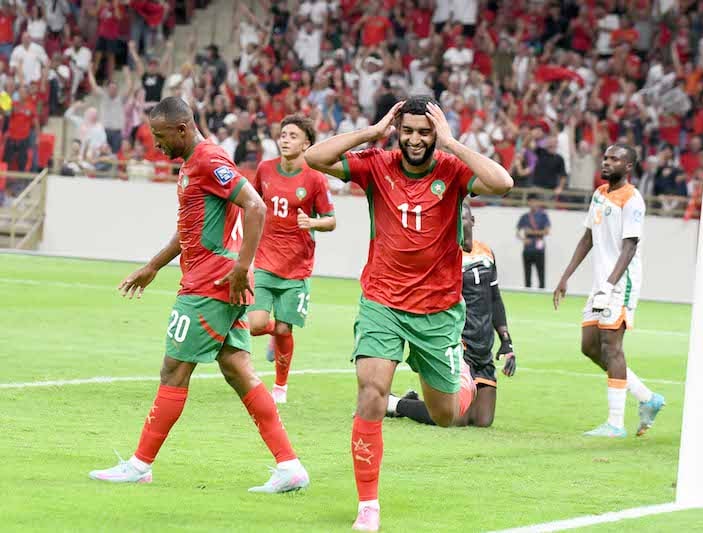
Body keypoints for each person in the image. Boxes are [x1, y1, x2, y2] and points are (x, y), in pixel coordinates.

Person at [304, 95, 513, 531]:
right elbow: (314, 157)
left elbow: (502, 182)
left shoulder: (453, 170)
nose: (415, 140)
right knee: (371, 391)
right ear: (397, 131)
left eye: (424, 132)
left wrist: (452, 142)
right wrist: (371, 132)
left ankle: (462, 378)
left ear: (436, 133)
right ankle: (368, 505)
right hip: (382, 301)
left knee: (445, 415)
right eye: (408, 131)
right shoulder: (376, 164)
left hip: (437, 311)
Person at [88, 97, 309, 493]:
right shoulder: (192, 164)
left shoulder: (208, 160)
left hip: (210, 285)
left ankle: (140, 465)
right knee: (238, 369)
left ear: (183, 129)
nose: (156, 144)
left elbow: (256, 206)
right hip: (218, 282)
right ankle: (289, 466)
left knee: (174, 369)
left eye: (160, 136)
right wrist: (154, 265)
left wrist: (242, 266)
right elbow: (190, 227)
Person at [553, 144, 665, 438]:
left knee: (612, 347)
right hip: (601, 284)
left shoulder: (632, 200)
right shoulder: (599, 194)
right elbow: (588, 237)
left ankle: (615, 424)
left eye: (614, 159)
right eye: (605, 158)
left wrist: (610, 284)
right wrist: (565, 276)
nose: (606, 162)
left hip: (620, 284)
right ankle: (647, 397)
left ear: (628, 167)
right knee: (589, 346)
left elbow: (630, 247)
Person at [386, 202, 516, 427]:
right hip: (459, 344)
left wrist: (506, 340)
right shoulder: (445, 257)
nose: (457, 223)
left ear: (472, 221)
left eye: (462, 218)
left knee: (482, 421)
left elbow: (494, 298)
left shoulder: (486, 253)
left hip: (483, 346)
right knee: (456, 417)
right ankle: (392, 404)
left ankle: (412, 401)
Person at [248, 114, 336, 404]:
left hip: (297, 268)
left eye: (293, 136)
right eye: (283, 135)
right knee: (256, 324)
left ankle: (280, 387)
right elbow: (251, 203)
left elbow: (331, 220)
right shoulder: (265, 169)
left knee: (285, 328)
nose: (285, 140)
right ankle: (274, 333)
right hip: (264, 261)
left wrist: (312, 223)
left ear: (306, 144)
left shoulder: (315, 178)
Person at [516, 197, 551, 289]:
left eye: (535, 202)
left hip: (539, 248)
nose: (533, 204)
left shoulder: (543, 216)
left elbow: (546, 231)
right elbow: (518, 232)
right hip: (528, 248)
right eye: (531, 202)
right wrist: (523, 239)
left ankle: (542, 291)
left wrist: (531, 232)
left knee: (541, 273)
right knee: (527, 274)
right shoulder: (525, 217)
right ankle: (527, 291)